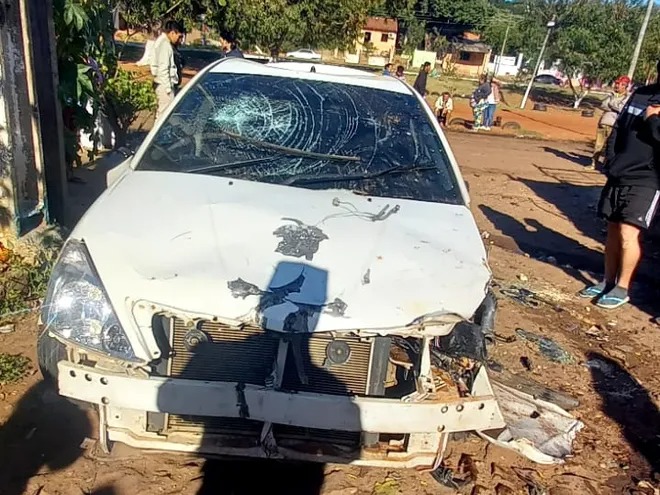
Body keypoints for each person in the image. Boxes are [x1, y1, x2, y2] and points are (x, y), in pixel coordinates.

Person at [578, 62, 660, 309]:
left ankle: (622, 287)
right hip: (619, 172)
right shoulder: (641, 93)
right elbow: (619, 127)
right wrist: (610, 158)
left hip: (648, 178)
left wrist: (654, 120)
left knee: (628, 232)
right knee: (612, 229)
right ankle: (607, 281)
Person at [591, 75, 631, 169]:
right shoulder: (611, 94)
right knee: (598, 145)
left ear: (625, 86)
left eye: (620, 84)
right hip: (604, 122)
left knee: (611, 147)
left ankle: (606, 165)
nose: (617, 86)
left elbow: (621, 108)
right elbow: (603, 105)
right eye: (617, 83)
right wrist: (614, 105)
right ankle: (593, 163)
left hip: (615, 125)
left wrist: (611, 104)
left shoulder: (627, 97)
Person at [151, 20, 183, 119]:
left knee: (163, 115)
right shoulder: (165, 44)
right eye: (179, 36)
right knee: (163, 117)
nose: (180, 40)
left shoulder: (163, 42)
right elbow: (163, 68)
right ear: (172, 33)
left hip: (163, 85)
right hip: (164, 86)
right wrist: (168, 89)